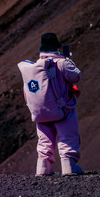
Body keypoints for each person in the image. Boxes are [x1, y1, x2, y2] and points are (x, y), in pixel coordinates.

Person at [18, 33, 83, 176]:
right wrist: (68, 60)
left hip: (41, 111)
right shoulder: (61, 63)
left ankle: (43, 167)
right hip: (62, 108)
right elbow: (76, 76)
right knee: (67, 134)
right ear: (56, 47)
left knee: (44, 138)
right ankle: (69, 165)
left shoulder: (35, 67)